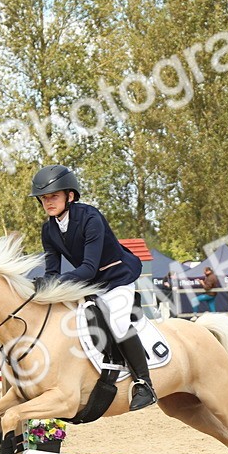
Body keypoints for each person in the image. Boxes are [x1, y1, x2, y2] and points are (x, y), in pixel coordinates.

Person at [30, 165, 156, 411]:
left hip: (117, 277)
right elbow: (53, 272)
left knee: (118, 322)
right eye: (44, 198)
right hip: (91, 283)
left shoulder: (90, 218)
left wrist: (52, 284)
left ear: (71, 196)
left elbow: (88, 268)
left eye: (53, 196)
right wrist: (40, 288)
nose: (48, 202)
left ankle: (144, 383)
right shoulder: (49, 229)